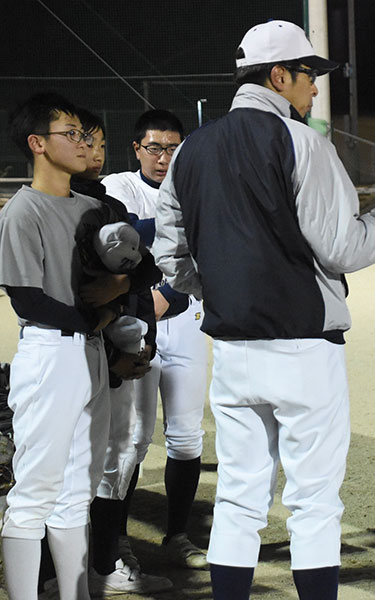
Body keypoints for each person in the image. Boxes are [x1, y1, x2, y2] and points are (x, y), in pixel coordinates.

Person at [150, 20, 375, 600]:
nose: (315, 86)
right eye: (308, 74)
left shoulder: (191, 148)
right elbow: (342, 248)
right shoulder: (302, 142)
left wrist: (219, 291)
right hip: (302, 345)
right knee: (314, 501)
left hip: (233, 349)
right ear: (279, 76)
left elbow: (171, 254)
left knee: (238, 497)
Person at [0, 93, 120, 600]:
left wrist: (117, 294)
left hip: (90, 351)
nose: (83, 143)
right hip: (50, 352)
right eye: (70, 134)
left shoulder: (92, 209)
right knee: (34, 494)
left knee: (76, 495)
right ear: (38, 144)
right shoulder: (21, 210)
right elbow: (27, 299)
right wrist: (100, 313)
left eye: (83, 134)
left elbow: (123, 277)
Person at [69, 109, 175, 595]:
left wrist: (136, 329)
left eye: (97, 143)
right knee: (80, 461)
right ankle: (65, 572)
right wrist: (113, 341)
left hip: (123, 342)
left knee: (127, 447)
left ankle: (105, 560)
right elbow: (54, 295)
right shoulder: (56, 208)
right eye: (79, 140)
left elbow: (143, 271)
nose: (93, 152)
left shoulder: (103, 202)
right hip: (80, 349)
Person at [102, 109, 209, 570]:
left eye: (173, 148)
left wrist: (170, 293)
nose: (164, 158)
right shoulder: (120, 186)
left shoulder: (196, 186)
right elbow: (125, 238)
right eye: (154, 148)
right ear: (137, 149)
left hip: (184, 321)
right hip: (133, 324)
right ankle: (116, 539)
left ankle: (178, 536)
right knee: (132, 438)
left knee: (186, 436)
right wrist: (189, 230)